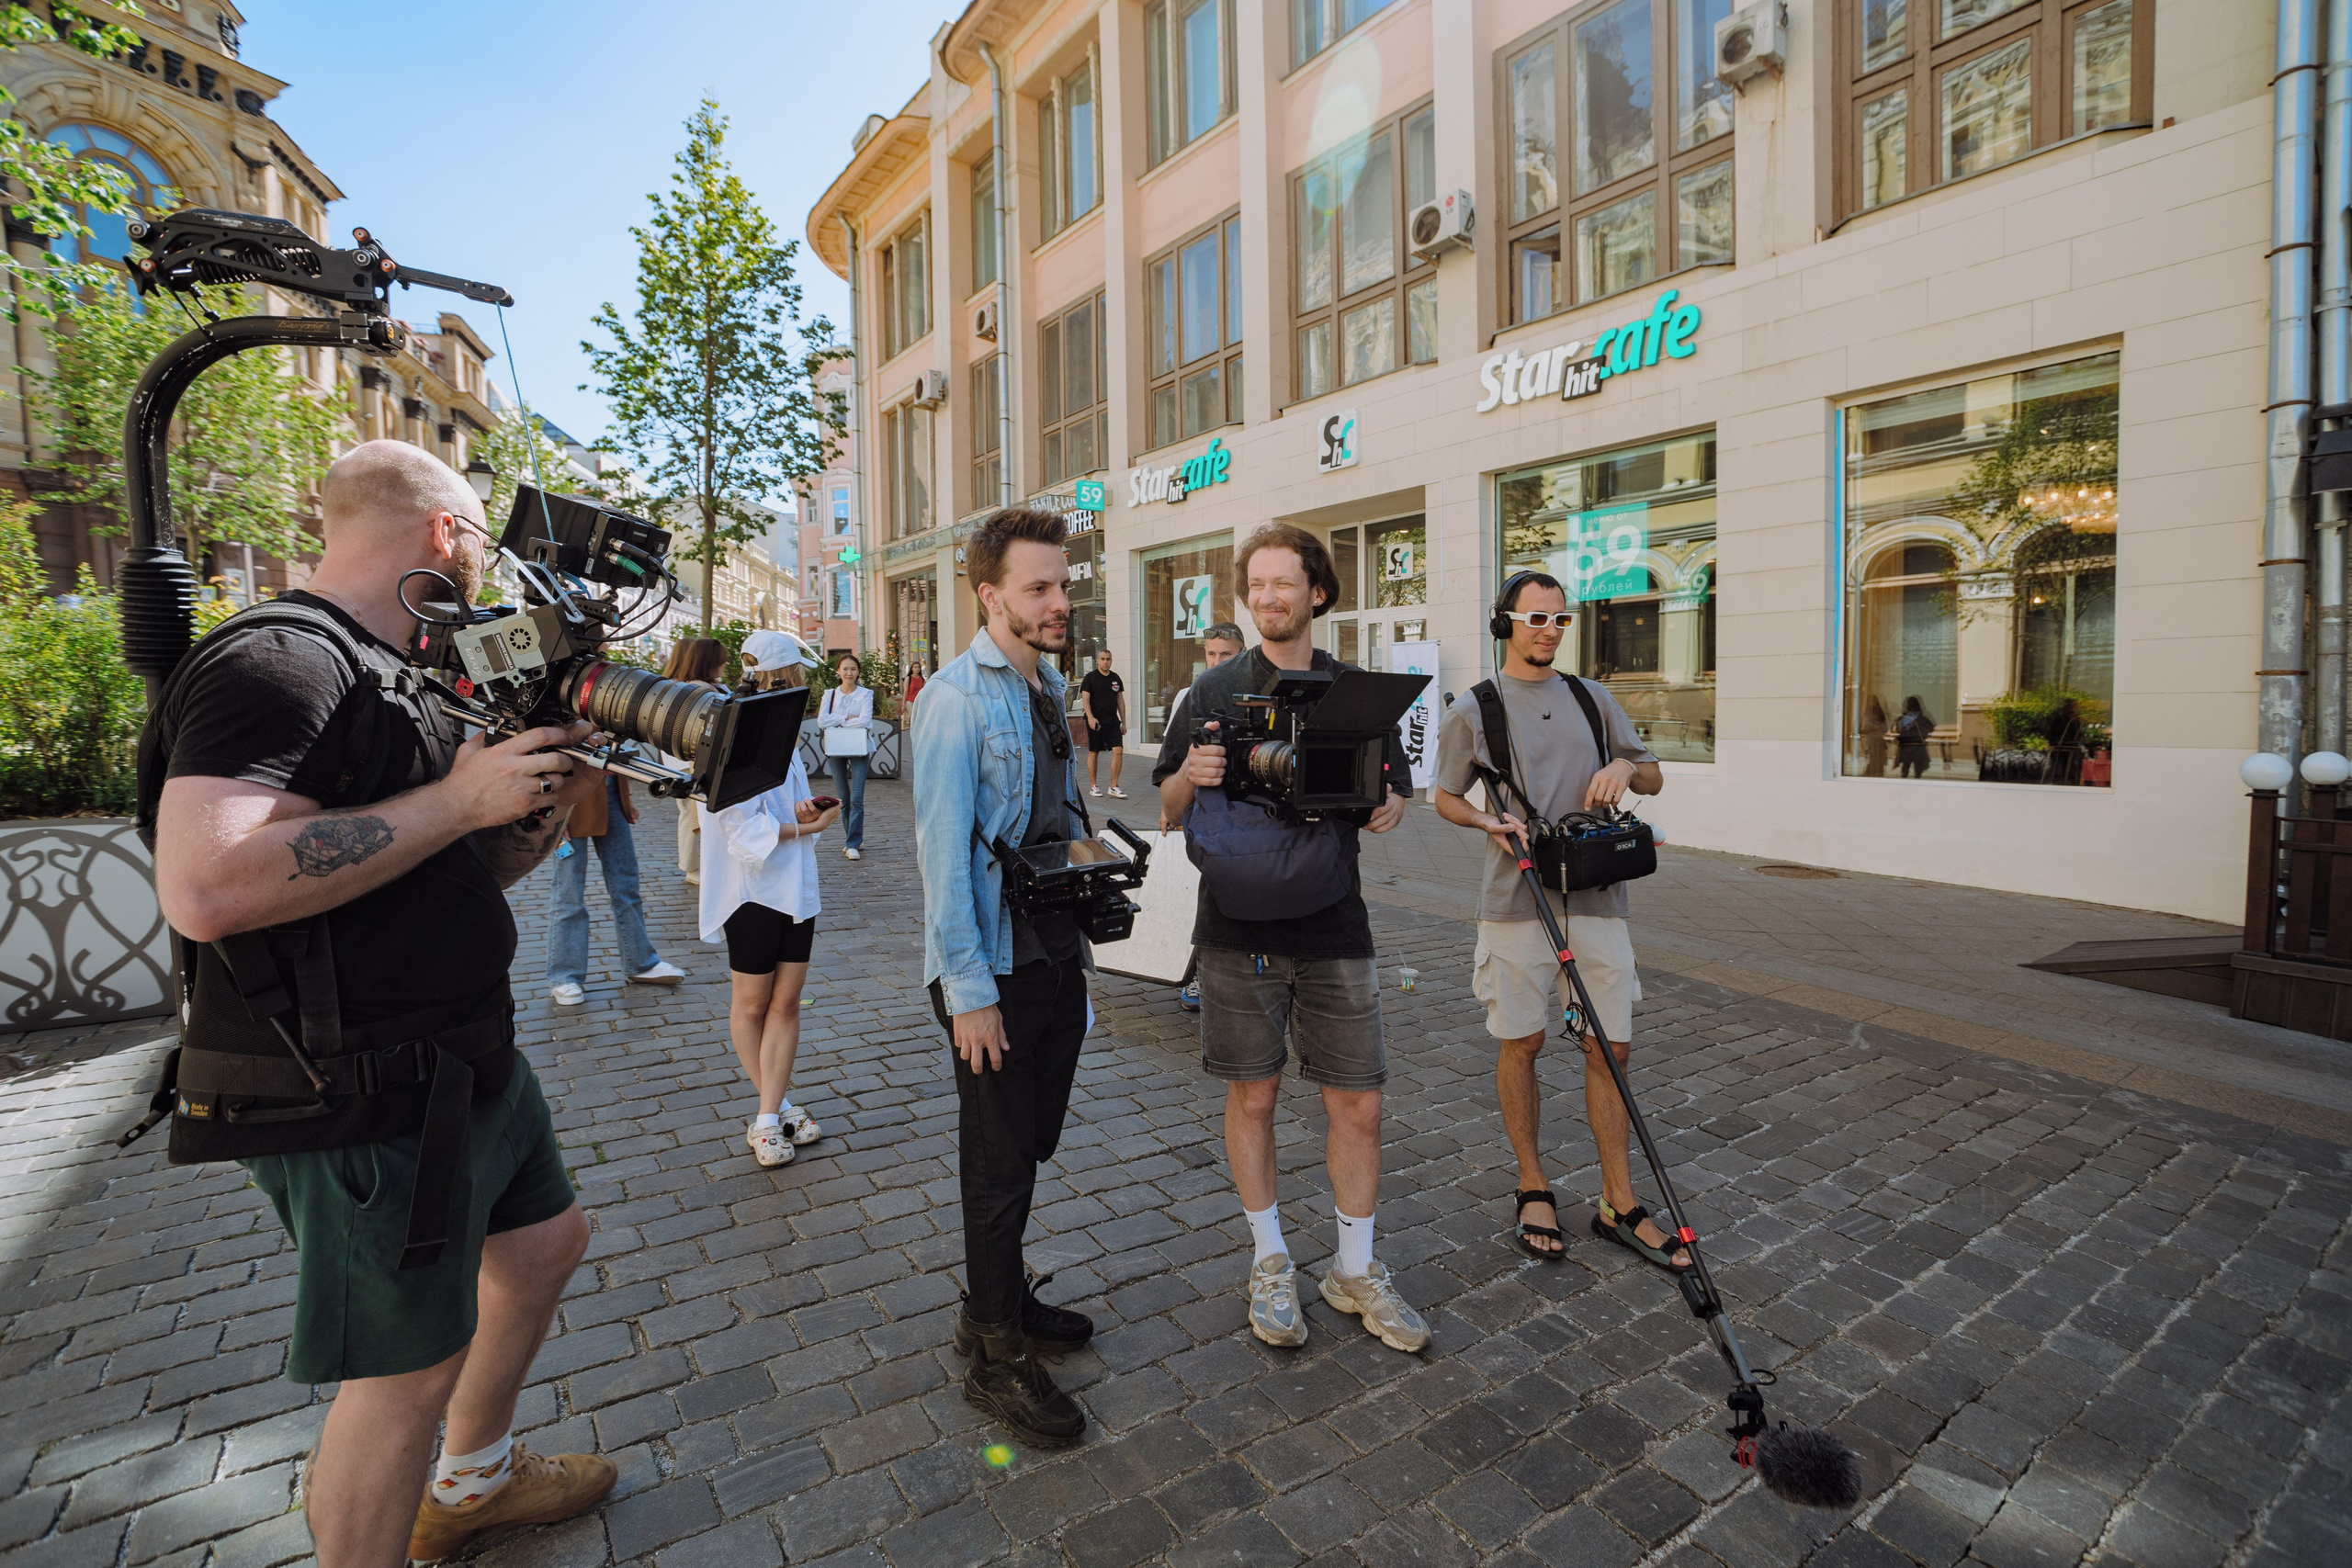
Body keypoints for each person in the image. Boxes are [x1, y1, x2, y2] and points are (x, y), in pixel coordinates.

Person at [136, 441, 612, 1568]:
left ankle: (474, 1481)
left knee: (544, 1246)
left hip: (461, 1056)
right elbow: (205, 885)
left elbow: (450, 864)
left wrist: (530, 797)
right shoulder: (278, 660)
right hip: (351, 1080)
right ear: (446, 536)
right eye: (480, 545)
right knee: (405, 1377)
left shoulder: (397, 668)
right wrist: (454, 802)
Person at [1153, 524, 1425, 1358]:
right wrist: (1186, 782)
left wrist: (1390, 807)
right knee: (1256, 1094)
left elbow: (1393, 790)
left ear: (1318, 591)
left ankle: (1353, 1265)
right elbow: (1165, 809)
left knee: (1359, 1100)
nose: (1268, 597)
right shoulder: (1210, 691)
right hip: (1235, 925)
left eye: (1284, 583)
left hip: (1334, 917)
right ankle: (1271, 1257)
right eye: (1256, 584)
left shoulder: (1358, 689)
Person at [912, 507, 1098, 1450]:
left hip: (1055, 951)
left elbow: (1053, 817)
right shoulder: (955, 700)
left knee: (1026, 1147)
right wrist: (969, 992)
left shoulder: (1046, 685)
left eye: (1064, 583)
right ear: (990, 596)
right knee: (994, 1167)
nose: (1060, 600)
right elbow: (943, 857)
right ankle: (991, 1348)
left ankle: (1005, 1299)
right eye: (1039, 587)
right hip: (993, 966)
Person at [1431, 571, 1679, 1269]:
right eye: (1536, 616)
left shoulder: (1590, 696)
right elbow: (1444, 796)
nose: (1549, 629)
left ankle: (1619, 1201)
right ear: (1503, 621)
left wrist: (1628, 771)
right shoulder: (1475, 708)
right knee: (1523, 1041)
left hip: (1599, 895)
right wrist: (1487, 819)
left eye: (1560, 619)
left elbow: (1653, 770)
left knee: (1612, 1046)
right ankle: (1532, 1183)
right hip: (1517, 900)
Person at [703, 630, 841, 1168]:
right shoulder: (736, 727)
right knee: (753, 1004)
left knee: (785, 1003)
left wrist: (805, 813)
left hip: (793, 886)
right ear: (784, 676)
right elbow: (740, 828)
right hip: (752, 891)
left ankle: (774, 1105)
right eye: (800, 675)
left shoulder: (780, 732)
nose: (806, 684)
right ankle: (768, 1117)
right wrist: (805, 828)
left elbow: (780, 805)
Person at [1159, 623, 1246, 1014]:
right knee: (1205, 896)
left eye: (1224, 654)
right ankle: (1199, 973)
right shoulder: (1190, 695)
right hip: (1202, 813)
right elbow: (1174, 765)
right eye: (1210, 654)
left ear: (1241, 652)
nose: (1215, 662)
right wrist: (1167, 809)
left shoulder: (1251, 690)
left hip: (1242, 818)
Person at [545, 772, 685, 1006]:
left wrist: (625, 799)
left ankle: (641, 963)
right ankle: (564, 976)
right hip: (567, 796)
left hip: (609, 790)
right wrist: (551, 812)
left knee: (626, 884)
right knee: (568, 893)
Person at [660, 637, 728, 885]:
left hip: (683, 764)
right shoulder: (699, 690)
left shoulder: (696, 687)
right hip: (688, 765)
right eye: (720, 662)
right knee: (691, 816)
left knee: (691, 815)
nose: (724, 666)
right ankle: (691, 867)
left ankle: (694, 865)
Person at [816, 653, 873, 861]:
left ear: (858, 672)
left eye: (853, 669)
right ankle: (853, 838)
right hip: (835, 748)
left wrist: (837, 721)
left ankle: (852, 844)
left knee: (857, 798)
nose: (849, 673)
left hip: (860, 746)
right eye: (845, 669)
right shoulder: (830, 694)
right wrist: (847, 718)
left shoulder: (866, 694)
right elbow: (822, 721)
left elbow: (865, 721)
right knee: (844, 799)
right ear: (838, 671)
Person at [1079, 648, 1127, 798]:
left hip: (1112, 721)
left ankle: (1113, 786)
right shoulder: (1090, 678)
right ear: (1097, 661)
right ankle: (1094, 786)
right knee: (1094, 752)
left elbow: (1120, 701)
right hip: (1096, 721)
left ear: (1111, 661)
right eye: (1103, 659)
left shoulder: (1115, 678)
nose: (1106, 662)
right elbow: (1085, 700)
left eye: (1108, 659)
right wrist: (1090, 717)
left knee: (1118, 750)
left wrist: (1124, 723)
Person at [1895, 695, 1934, 779]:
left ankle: (1904, 782)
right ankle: (1917, 782)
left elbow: (1898, 731)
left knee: (1905, 767)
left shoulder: (1902, 719)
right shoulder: (1923, 719)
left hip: (1905, 746)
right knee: (1918, 769)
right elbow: (1931, 728)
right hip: (1918, 746)